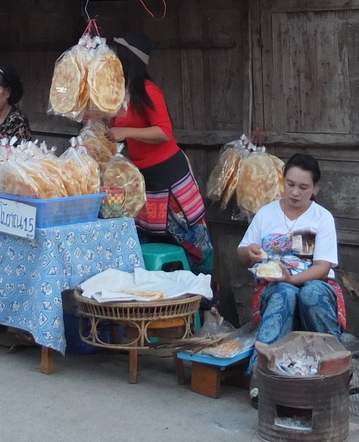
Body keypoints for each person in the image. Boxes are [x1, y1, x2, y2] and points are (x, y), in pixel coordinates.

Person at [237, 153, 345, 391]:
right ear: (283, 181)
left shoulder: (322, 218)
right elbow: (242, 256)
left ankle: (336, 368)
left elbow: (322, 267)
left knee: (311, 293)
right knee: (284, 293)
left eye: (303, 187)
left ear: (315, 187)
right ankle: (261, 376)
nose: (295, 192)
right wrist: (250, 252)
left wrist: (292, 278)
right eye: (290, 184)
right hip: (274, 286)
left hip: (313, 282)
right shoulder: (266, 213)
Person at [105, 34, 212, 271]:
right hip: (143, 179)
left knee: (190, 240)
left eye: (115, 57)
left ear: (127, 61)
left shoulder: (149, 90)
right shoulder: (120, 95)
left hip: (169, 176)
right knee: (152, 241)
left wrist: (127, 133)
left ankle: (207, 302)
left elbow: (164, 132)